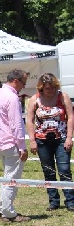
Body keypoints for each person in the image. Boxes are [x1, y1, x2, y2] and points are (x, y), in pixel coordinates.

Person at [26, 72, 74, 211]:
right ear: (41, 88)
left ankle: (70, 201)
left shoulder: (62, 96)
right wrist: (32, 140)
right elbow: (29, 121)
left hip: (62, 139)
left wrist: (69, 137)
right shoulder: (34, 99)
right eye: (48, 88)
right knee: (48, 171)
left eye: (53, 87)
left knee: (64, 170)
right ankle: (54, 201)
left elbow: (70, 117)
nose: (51, 90)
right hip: (42, 140)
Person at [0, 69, 30, 223]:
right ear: (16, 80)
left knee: (7, 178)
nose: (23, 86)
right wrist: (22, 147)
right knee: (11, 180)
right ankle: (9, 213)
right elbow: (16, 125)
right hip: (11, 144)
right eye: (23, 83)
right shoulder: (12, 98)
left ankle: (4, 210)